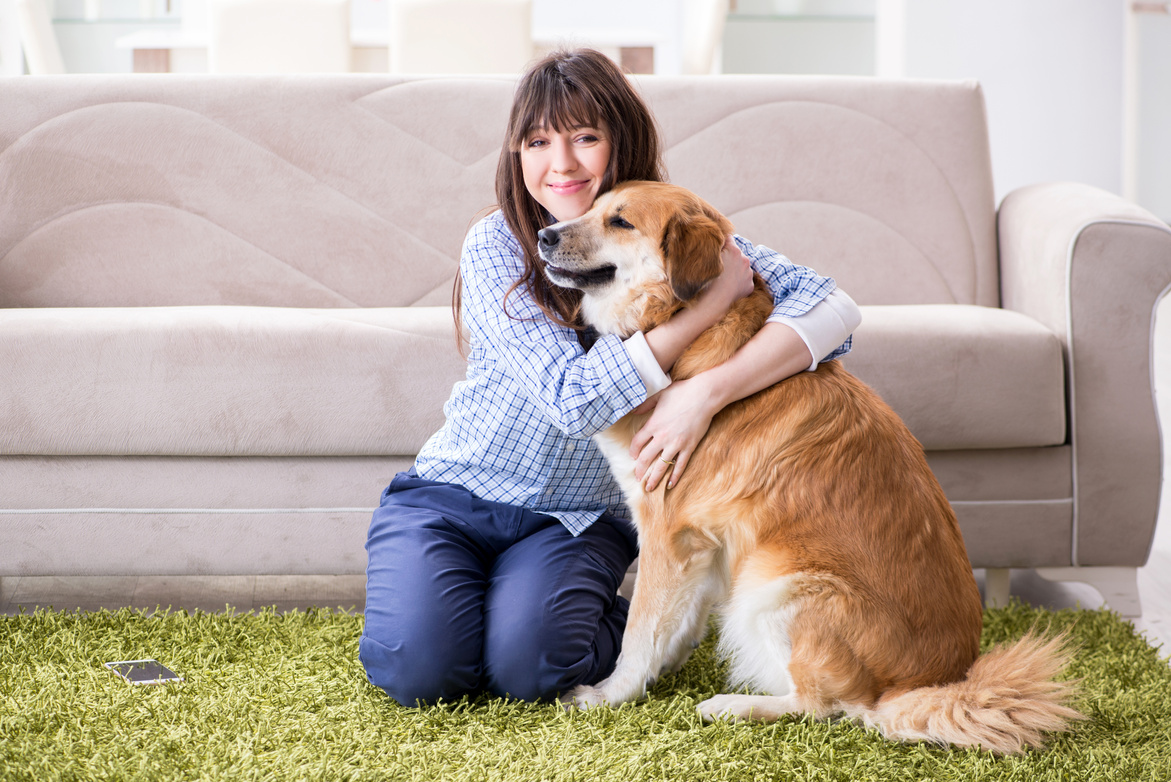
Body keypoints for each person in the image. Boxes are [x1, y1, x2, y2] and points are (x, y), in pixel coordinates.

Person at [359, 48, 861, 707]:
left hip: (570, 519)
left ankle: (599, 629)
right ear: (516, 156)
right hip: (454, 497)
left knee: (532, 670)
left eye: (584, 136)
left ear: (620, 141)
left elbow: (835, 310)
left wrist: (706, 391)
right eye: (536, 141)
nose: (560, 162)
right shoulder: (499, 244)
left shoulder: (671, 226)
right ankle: (471, 615)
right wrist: (707, 307)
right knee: (418, 672)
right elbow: (573, 402)